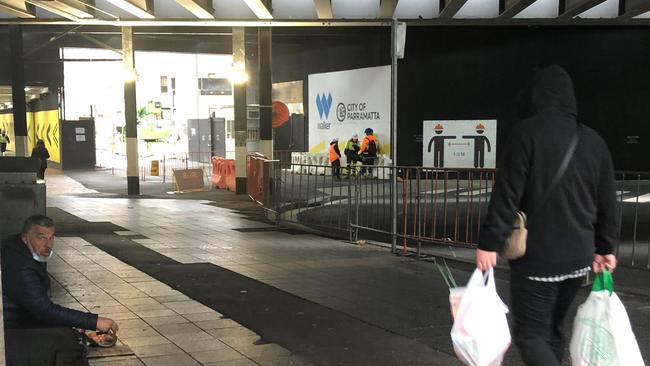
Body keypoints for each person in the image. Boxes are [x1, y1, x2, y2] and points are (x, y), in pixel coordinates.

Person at [476, 65, 618, 366]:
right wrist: (606, 248)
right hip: (579, 260)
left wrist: (490, 243)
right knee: (552, 331)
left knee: (530, 335)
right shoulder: (593, 141)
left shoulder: (525, 135)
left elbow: (507, 195)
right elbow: (608, 201)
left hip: (537, 258)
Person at [2, 215, 119, 366]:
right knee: (70, 344)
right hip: (8, 334)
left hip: (16, 323)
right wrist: (95, 321)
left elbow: (37, 306)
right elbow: (44, 310)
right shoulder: (21, 266)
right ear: (25, 238)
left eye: (51, 238)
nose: (48, 244)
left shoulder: (17, 249)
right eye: (41, 238)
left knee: (69, 332)